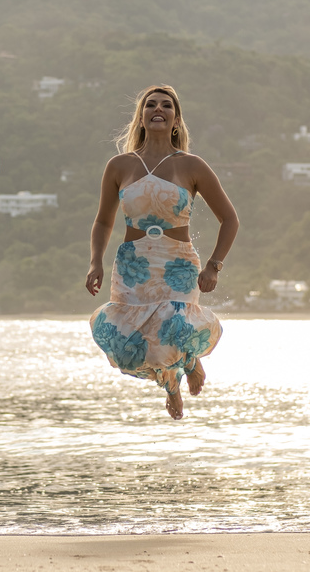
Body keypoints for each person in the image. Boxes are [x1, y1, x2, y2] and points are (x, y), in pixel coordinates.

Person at [85, 85, 238, 419]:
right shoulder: (119, 165)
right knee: (131, 346)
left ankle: (182, 374)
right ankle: (176, 378)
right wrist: (95, 261)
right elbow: (103, 220)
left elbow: (229, 219)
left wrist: (214, 266)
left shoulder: (192, 165)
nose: (158, 109)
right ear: (140, 117)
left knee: (173, 329)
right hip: (133, 262)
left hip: (177, 262)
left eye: (166, 105)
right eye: (150, 105)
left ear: (175, 119)